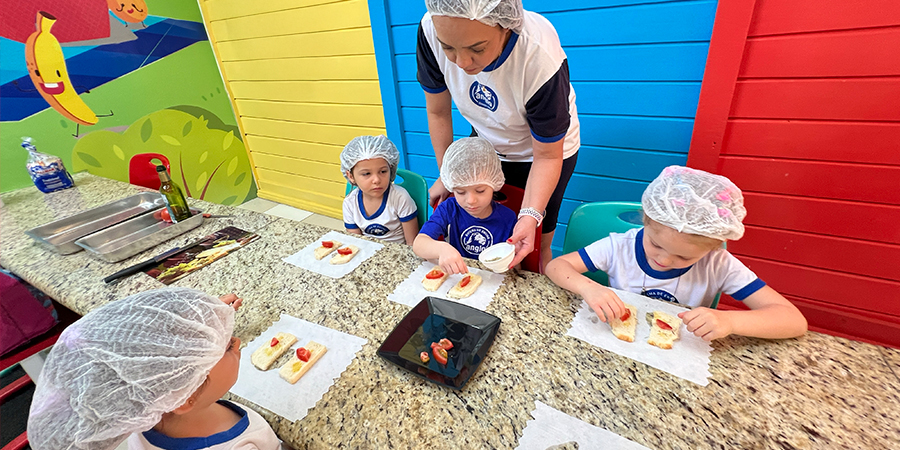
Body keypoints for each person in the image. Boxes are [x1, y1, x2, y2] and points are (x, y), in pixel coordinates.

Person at [546, 166, 808, 341]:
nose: (664, 260)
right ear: (645, 222)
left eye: (684, 258)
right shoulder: (620, 246)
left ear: (714, 247)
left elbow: (793, 320)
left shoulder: (718, 264)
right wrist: (590, 288)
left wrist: (729, 321)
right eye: (656, 245)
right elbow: (556, 267)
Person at [417, 0, 580, 270]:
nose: (461, 63)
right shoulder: (430, 27)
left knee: (536, 239)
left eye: (476, 48)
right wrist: (450, 176)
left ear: (505, 26)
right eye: (448, 47)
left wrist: (530, 215)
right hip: (486, 139)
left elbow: (548, 156)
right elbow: (438, 113)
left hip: (544, 154)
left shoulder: (539, 57)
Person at [27, 288, 282, 450]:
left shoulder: (149, 409)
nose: (236, 342)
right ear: (185, 397)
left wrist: (203, 316)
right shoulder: (240, 446)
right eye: (226, 346)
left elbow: (138, 341)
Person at [413, 137, 516, 274]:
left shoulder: (508, 217)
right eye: (460, 192)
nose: (471, 200)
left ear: (494, 183)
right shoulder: (449, 209)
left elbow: (515, 262)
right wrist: (442, 249)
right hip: (460, 277)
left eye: (480, 191)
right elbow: (419, 244)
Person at [341, 135, 419, 245]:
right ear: (350, 176)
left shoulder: (400, 197)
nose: (377, 180)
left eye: (383, 171)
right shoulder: (350, 203)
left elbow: (412, 244)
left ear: (390, 169)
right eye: (366, 174)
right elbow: (355, 243)